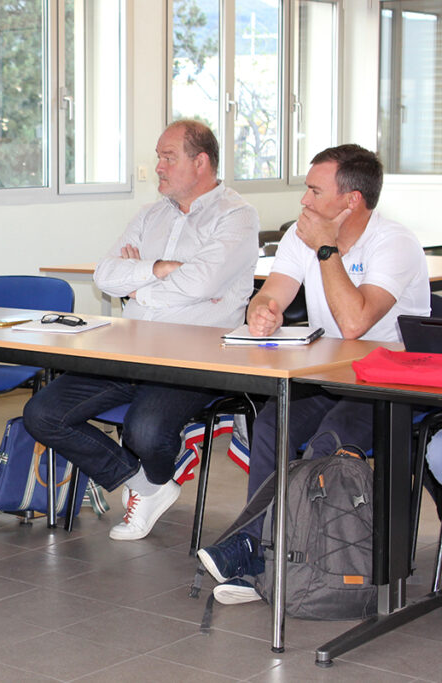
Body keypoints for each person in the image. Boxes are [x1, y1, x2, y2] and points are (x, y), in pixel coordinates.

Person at [198, 144, 430, 604]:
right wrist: (263, 310)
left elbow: (354, 322)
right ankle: (261, 551)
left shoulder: (394, 243)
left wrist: (326, 249)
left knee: (327, 440)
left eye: (314, 191)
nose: (304, 200)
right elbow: (272, 294)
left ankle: (289, 556)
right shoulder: (300, 235)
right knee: (271, 424)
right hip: (329, 372)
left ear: (351, 201)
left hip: (390, 383)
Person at [23, 120, 259, 540]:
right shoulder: (151, 215)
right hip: (131, 348)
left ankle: (149, 482)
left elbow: (201, 282)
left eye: (168, 157)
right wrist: (160, 269)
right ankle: (147, 486)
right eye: (158, 157)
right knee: (42, 413)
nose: (158, 167)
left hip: (196, 357)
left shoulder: (236, 216)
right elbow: (105, 276)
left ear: (201, 162)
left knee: (144, 431)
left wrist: (139, 284)